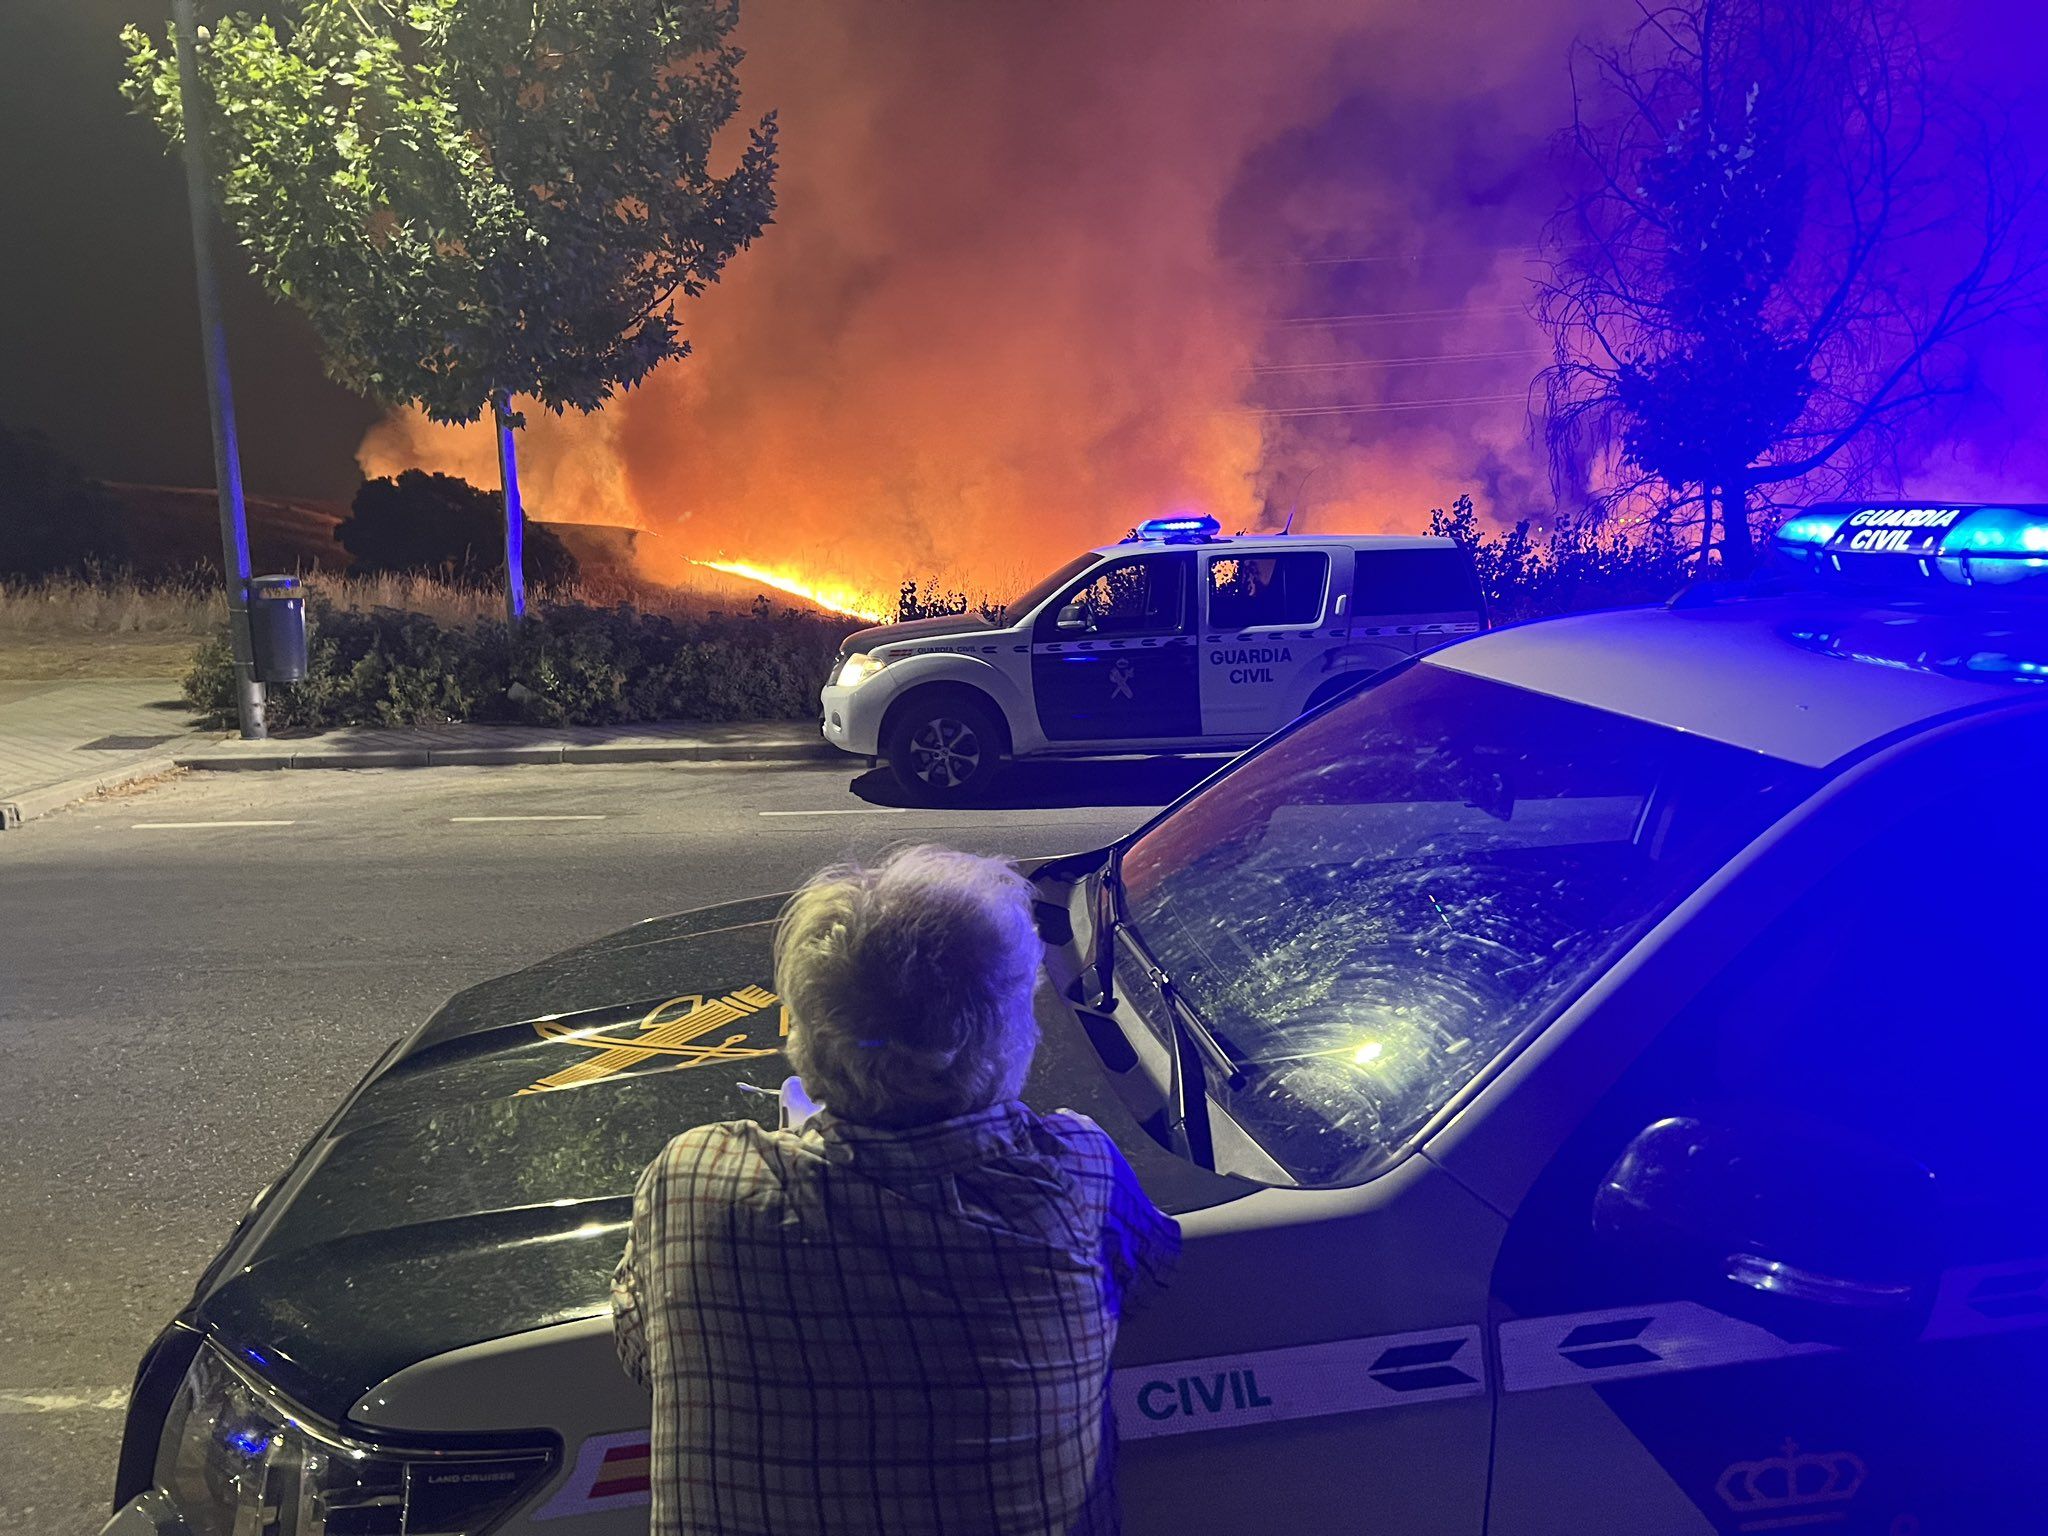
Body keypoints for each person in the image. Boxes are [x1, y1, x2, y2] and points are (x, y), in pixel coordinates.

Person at [612, 845, 1180, 1536]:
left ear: (809, 1029)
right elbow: (1150, 1280)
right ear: (1005, 1032)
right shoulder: (1079, 1173)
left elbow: (645, 1353)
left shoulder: (692, 1180)